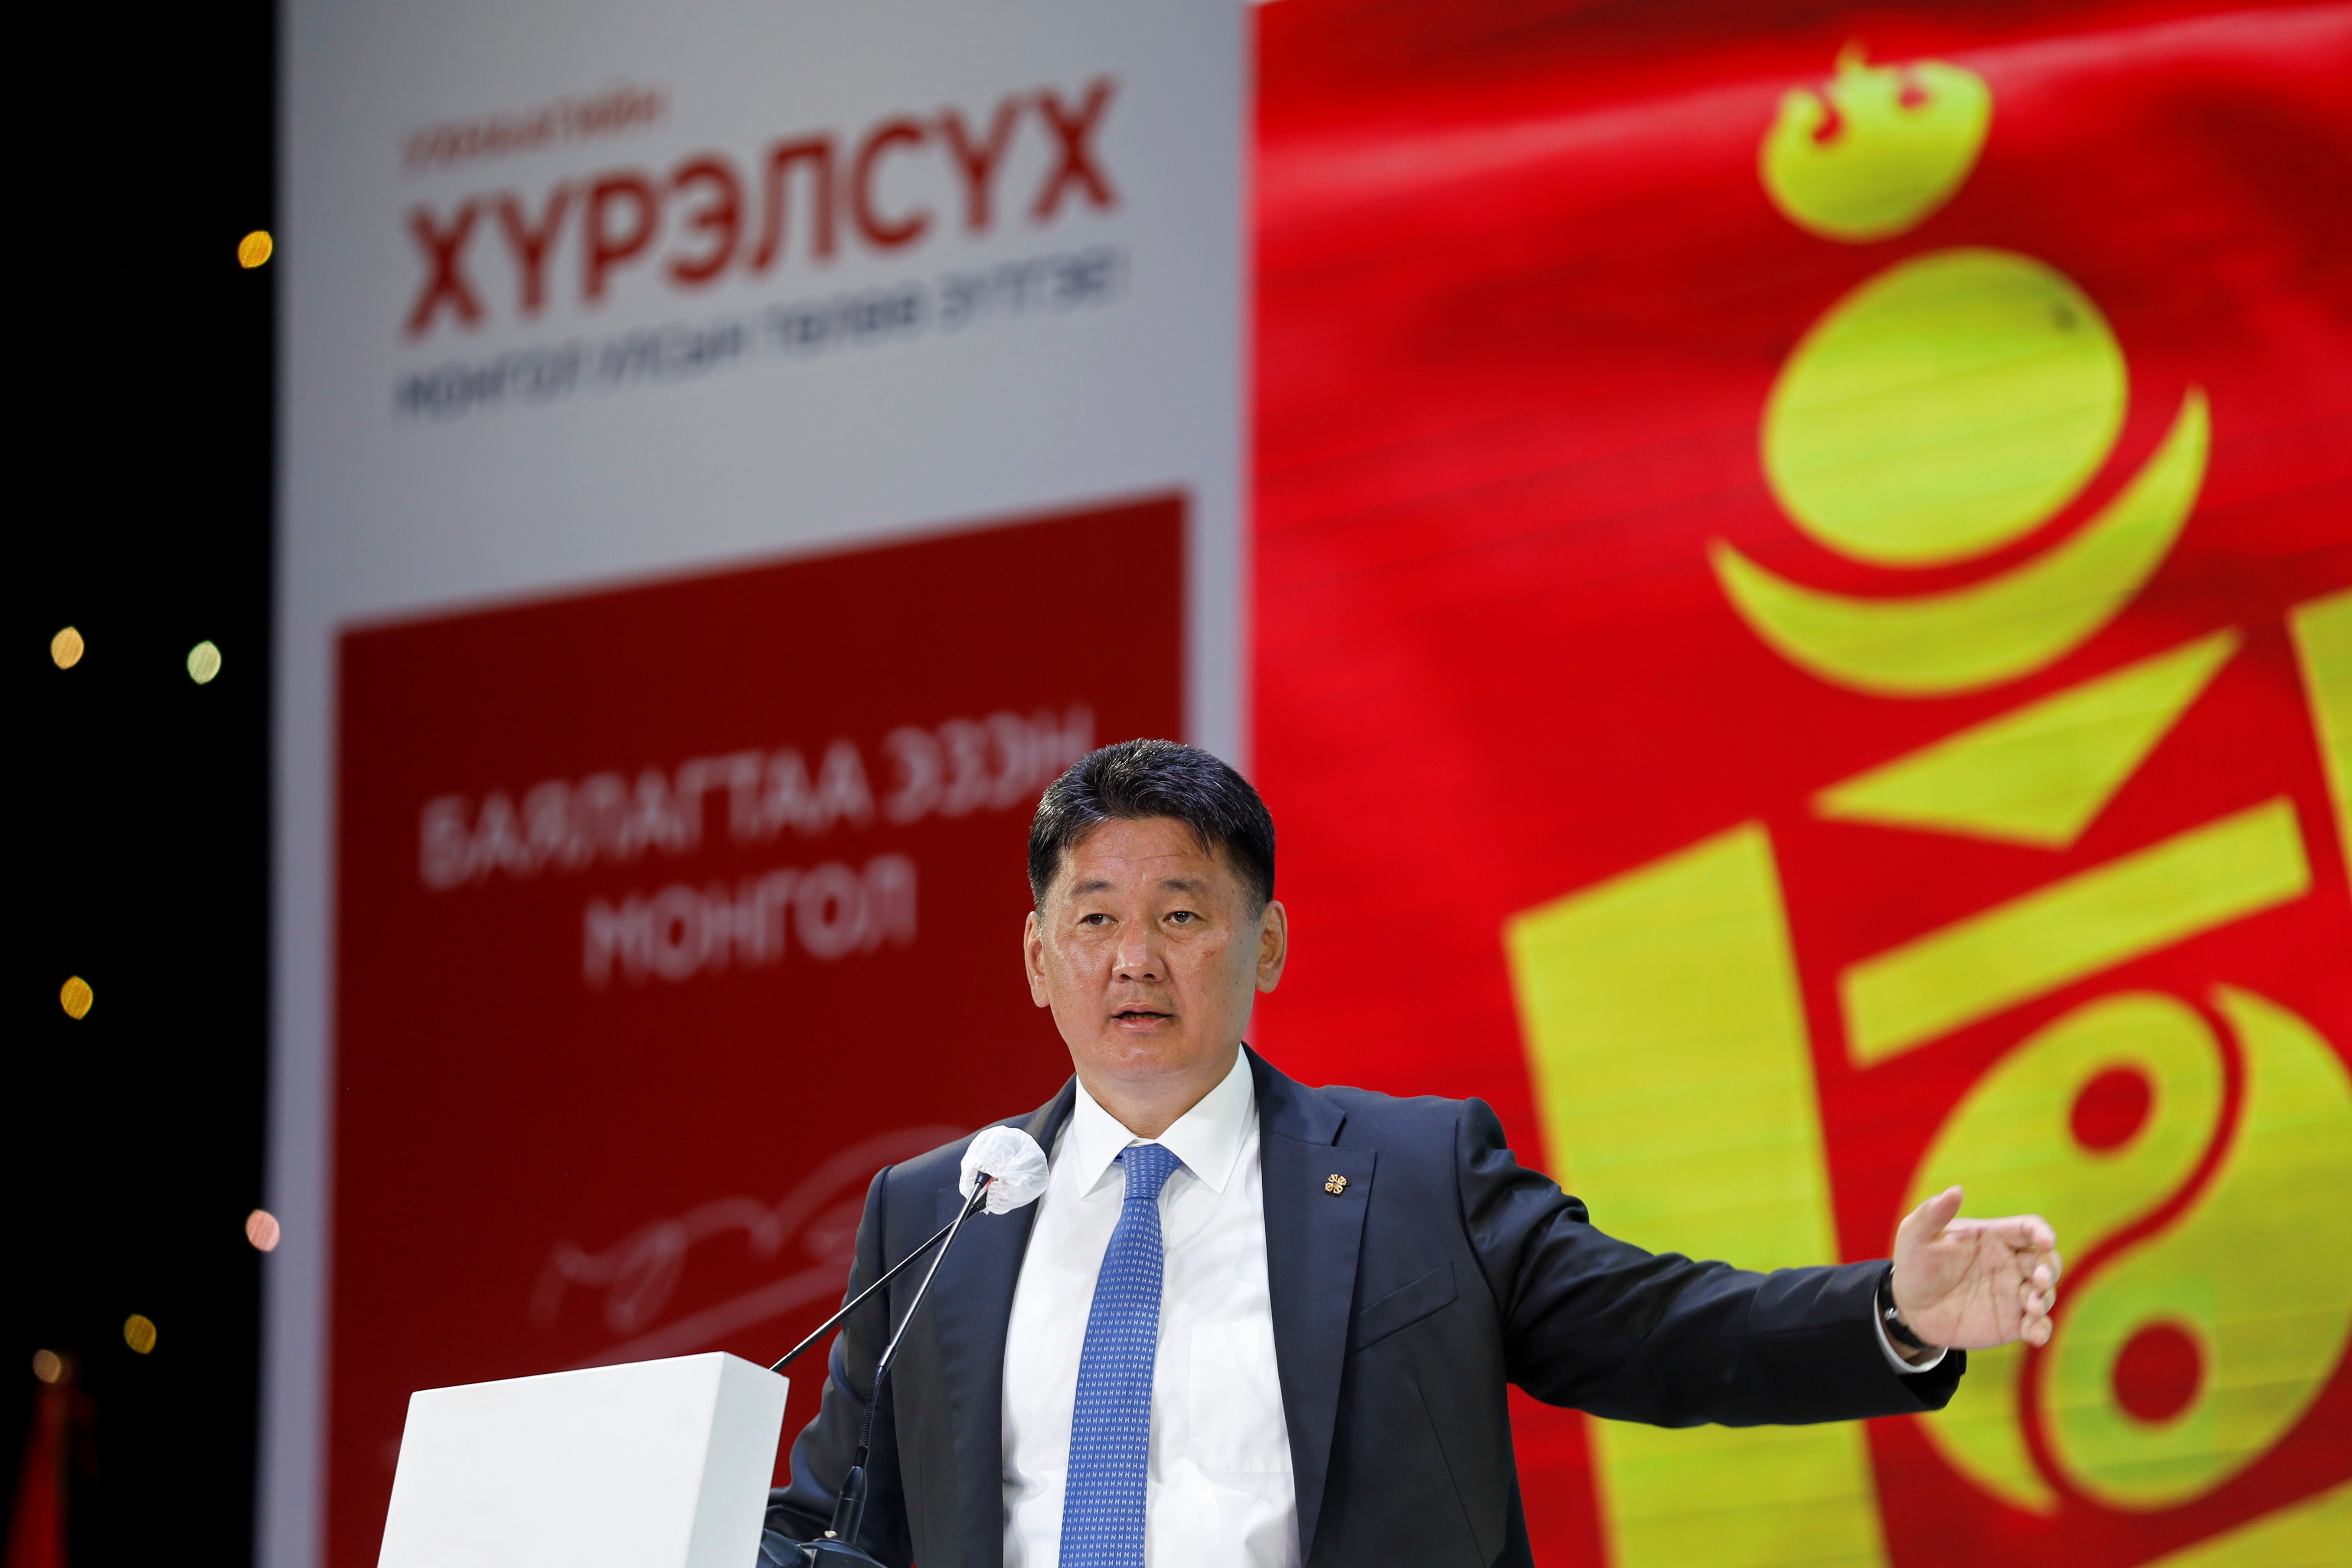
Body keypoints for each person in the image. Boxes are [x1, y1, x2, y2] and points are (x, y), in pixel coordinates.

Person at [760, 740, 2062, 1568]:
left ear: (1264, 945)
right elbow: (833, 1527)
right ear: (1040, 960)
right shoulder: (940, 1215)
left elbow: (1661, 1330)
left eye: (1181, 915)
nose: (1135, 959)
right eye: (1093, 918)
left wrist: (1890, 1315)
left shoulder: (1417, 1175)